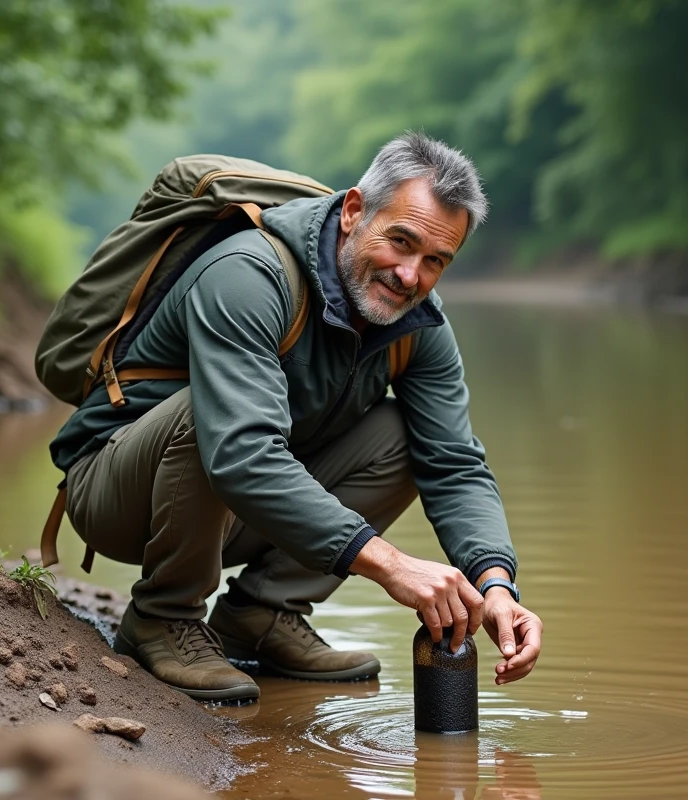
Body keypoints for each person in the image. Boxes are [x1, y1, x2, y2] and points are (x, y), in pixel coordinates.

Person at [49, 132, 543, 703]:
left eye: (435, 261)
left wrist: (497, 584)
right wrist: (389, 564)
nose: (411, 276)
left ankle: (262, 614)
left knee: (405, 435)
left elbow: (454, 463)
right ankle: (164, 616)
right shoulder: (247, 274)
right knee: (209, 415)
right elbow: (242, 453)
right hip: (119, 488)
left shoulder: (420, 328)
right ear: (356, 210)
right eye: (400, 242)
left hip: (240, 505)